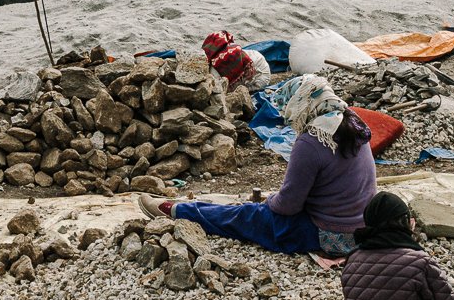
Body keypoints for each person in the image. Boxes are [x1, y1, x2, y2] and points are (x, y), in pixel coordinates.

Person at [139, 74, 375, 255]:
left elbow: (288, 206)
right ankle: (185, 209)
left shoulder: (311, 141)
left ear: (301, 104)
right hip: (364, 229)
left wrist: (270, 200)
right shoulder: (354, 124)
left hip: (328, 234)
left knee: (245, 215)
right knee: (251, 211)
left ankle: (178, 210)